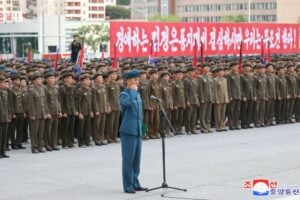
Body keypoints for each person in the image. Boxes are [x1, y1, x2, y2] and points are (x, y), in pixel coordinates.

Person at [119, 69, 147, 194]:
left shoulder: (137, 94)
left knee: (136, 160)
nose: (138, 82)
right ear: (129, 81)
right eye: (135, 80)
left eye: (138, 79)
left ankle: (135, 183)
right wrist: (133, 92)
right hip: (128, 131)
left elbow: (140, 114)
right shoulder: (125, 94)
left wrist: (143, 129)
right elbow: (128, 103)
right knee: (128, 160)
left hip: (137, 131)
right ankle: (128, 185)